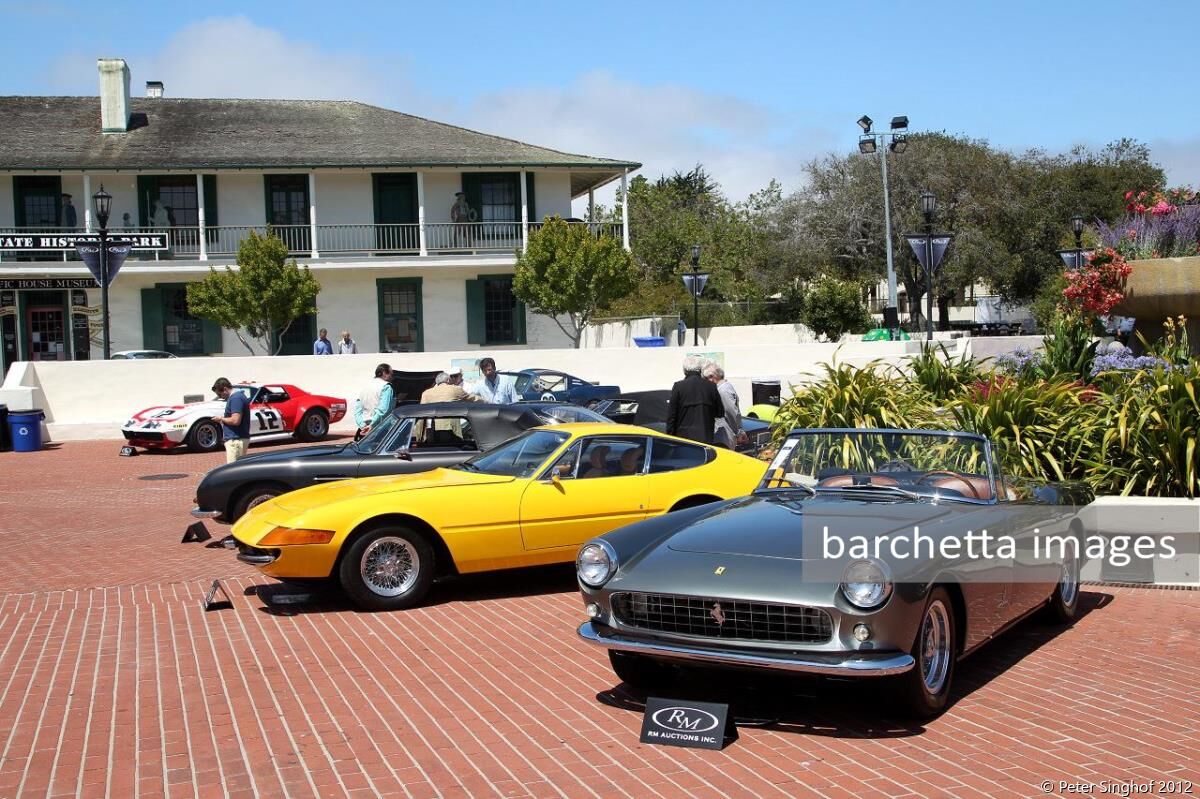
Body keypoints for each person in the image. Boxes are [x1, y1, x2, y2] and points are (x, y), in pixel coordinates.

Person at [666, 355, 725, 445]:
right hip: (706, 438)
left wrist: (669, 438)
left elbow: (672, 416)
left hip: (683, 440)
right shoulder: (711, 386)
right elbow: (720, 412)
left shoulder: (678, 386)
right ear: (700, 370)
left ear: (685, 370)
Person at [704, 361, 749, 450]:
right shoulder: (724, 388)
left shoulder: (723, 390)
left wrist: (739, 432)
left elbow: (731, 412)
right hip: (725, 437)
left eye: (705, 378)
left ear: (712, 377)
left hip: (724, 438)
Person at [210, 377, 251, 463]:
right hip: (237, 440)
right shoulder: (238, 397)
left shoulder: (235, 398)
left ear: (225, 389)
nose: (221, 397)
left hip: (235, 441)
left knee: (233, 472)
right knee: (237, 471)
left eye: (220, 394)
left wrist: (221, 419)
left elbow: (236, 421)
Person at [354, 363, 394, 438]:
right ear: (385, 373)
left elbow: (357, 411)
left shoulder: (364, 387)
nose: (392, 377)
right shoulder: (386, 387)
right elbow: (383, 410)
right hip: (381, 428)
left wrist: (363, 426)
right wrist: (372, 425)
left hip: (364, 430)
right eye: (391, 374)